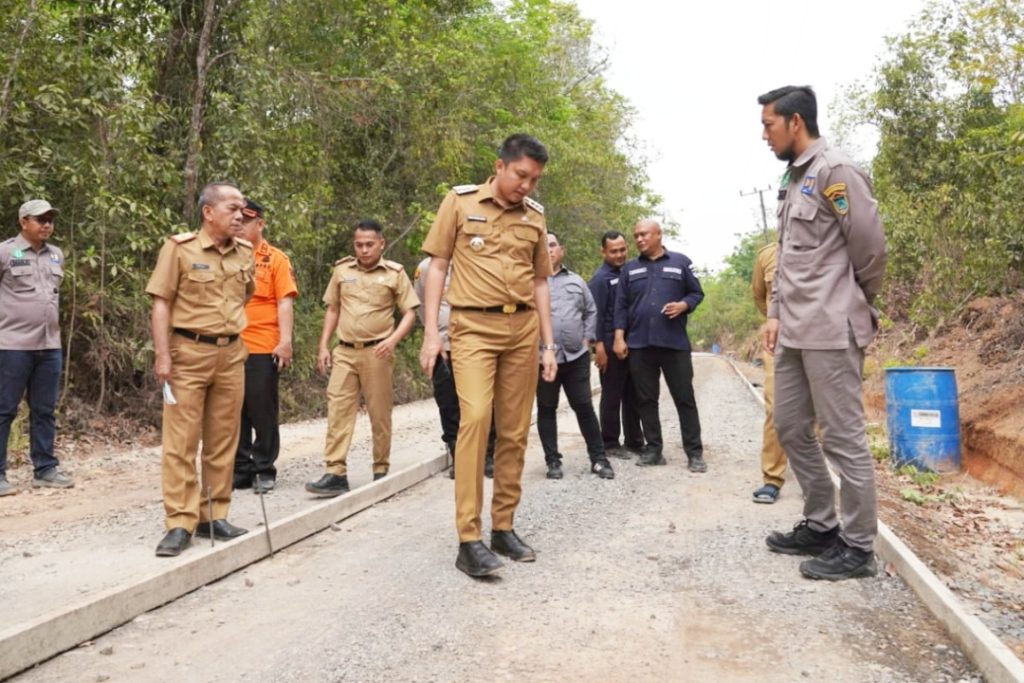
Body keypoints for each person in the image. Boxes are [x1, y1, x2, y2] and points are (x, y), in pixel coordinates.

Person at [758, 85, 887, 581]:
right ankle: (821, 522)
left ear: (795, 122)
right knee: (790, 426)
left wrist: (854, 301)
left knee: (844, 439)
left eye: (769, 125)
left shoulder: (837, 170)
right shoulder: (794, 179)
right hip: (792, 329)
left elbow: (871, 249)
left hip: (831, 328)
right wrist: (773, 311)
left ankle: (857, 547)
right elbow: (787, 254)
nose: (763, 135)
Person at [419, 133, 558, 578]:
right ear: (500, 167)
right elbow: (437, 266)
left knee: (516, 431)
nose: (527, 186)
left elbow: (540, 281)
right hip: (472, 327)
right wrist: (429, 335)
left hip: (522, 330)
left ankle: (504, 527)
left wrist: (548, 344)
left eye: (534, 180)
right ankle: (468, 537)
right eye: (521, 175)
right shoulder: (459, 203)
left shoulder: (534, 217)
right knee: (476, 419)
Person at [146, 182, 255, 557]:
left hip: (231, 354)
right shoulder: (179, 249)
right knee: (181, 441)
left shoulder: (245, 252)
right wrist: (163, 355)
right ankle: (180, 522)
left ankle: (214, 514)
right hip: (187, 353)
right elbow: (161, 303)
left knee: (223, 439)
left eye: (242, 209)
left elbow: (245, 296)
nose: (240, 215)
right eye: (232, 208)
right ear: (208, 212)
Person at [306, 219, 419, 497]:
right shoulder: (342, 270)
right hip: (344, 350)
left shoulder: (394, 273)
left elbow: (410, 314)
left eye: (370, 244)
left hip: (377, 352)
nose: (365, 250)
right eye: (359, 245)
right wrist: (324, 346)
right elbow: (333, 309)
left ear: (381, 243)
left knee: (379, 413)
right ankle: (335, 472)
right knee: (338, 410)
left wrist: (392, 341)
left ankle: (380, 467)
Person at [613, 219, 706, 472]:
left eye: (644, 234)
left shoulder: (681, 262)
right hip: (640, 345)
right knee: (646, 399)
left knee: (684, 398)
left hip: (673, 344)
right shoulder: (629, 270)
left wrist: (684, 305)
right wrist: (619, 337)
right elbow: (620, 306)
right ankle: (654, 450)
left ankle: (694, 453)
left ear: (658, 235)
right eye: (636, 236)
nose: (639, 239)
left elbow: (697, 293)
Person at [0, 200, 74, 496]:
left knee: (44, 410)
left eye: (50, 220)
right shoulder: (6, 252)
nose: (47, 225)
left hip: (49, 345)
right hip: (13, 345)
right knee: (4, 410)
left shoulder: (56, 255)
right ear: (23, 222)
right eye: (40, 219)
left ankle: (45, 469)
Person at [232, 199, 298, 494]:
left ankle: (263, 468)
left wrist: (285, 342)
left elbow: (285, 301)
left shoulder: (275, 259)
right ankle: (240, 468)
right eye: (237, 219)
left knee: (261, 408)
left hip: (262, 344)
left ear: (260, 224)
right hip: (230, 344)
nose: (241, 226)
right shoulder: (227, 255)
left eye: (246, 221)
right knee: (233, 410)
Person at [536, 231, 614, 480]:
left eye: (552, 245)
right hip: (541, 359)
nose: (548, 250)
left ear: (561, 249)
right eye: (543, 246)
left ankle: (599, 459)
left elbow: (591, 310)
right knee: (546, 409)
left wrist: (587, 338)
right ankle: (553, 462)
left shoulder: (577, 281)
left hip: (575, 356)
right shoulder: (529, 281)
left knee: (584, 407)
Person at [413, 256, 496, 480]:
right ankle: (459, 457)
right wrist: (433, 336)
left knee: (484, 401)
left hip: (477, 345)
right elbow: (421, 304)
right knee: (448, 403)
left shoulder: (476, 260)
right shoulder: (426, 268)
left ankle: (488, 455)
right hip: (443, 347)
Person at [588, 230, 645, 460]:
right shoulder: (600, 279)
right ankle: (610, 442)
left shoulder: (630, 272)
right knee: (612, 395)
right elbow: (595, 317)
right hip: (609, 344)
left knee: (633, 394)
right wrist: (598, 348)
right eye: (614, 251)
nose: (619, 254)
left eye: (622, 249)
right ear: (603, 252)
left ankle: (634, 440)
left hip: (632, 342)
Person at [751, 241, 787, 504]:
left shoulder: (826, 242)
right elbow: (759, 296)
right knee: (776, 409)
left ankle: (818, 477)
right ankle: (772, 478)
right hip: (779, 342)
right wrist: (776, 321)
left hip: (821, 338)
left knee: (821, 413)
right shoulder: (767, 255)